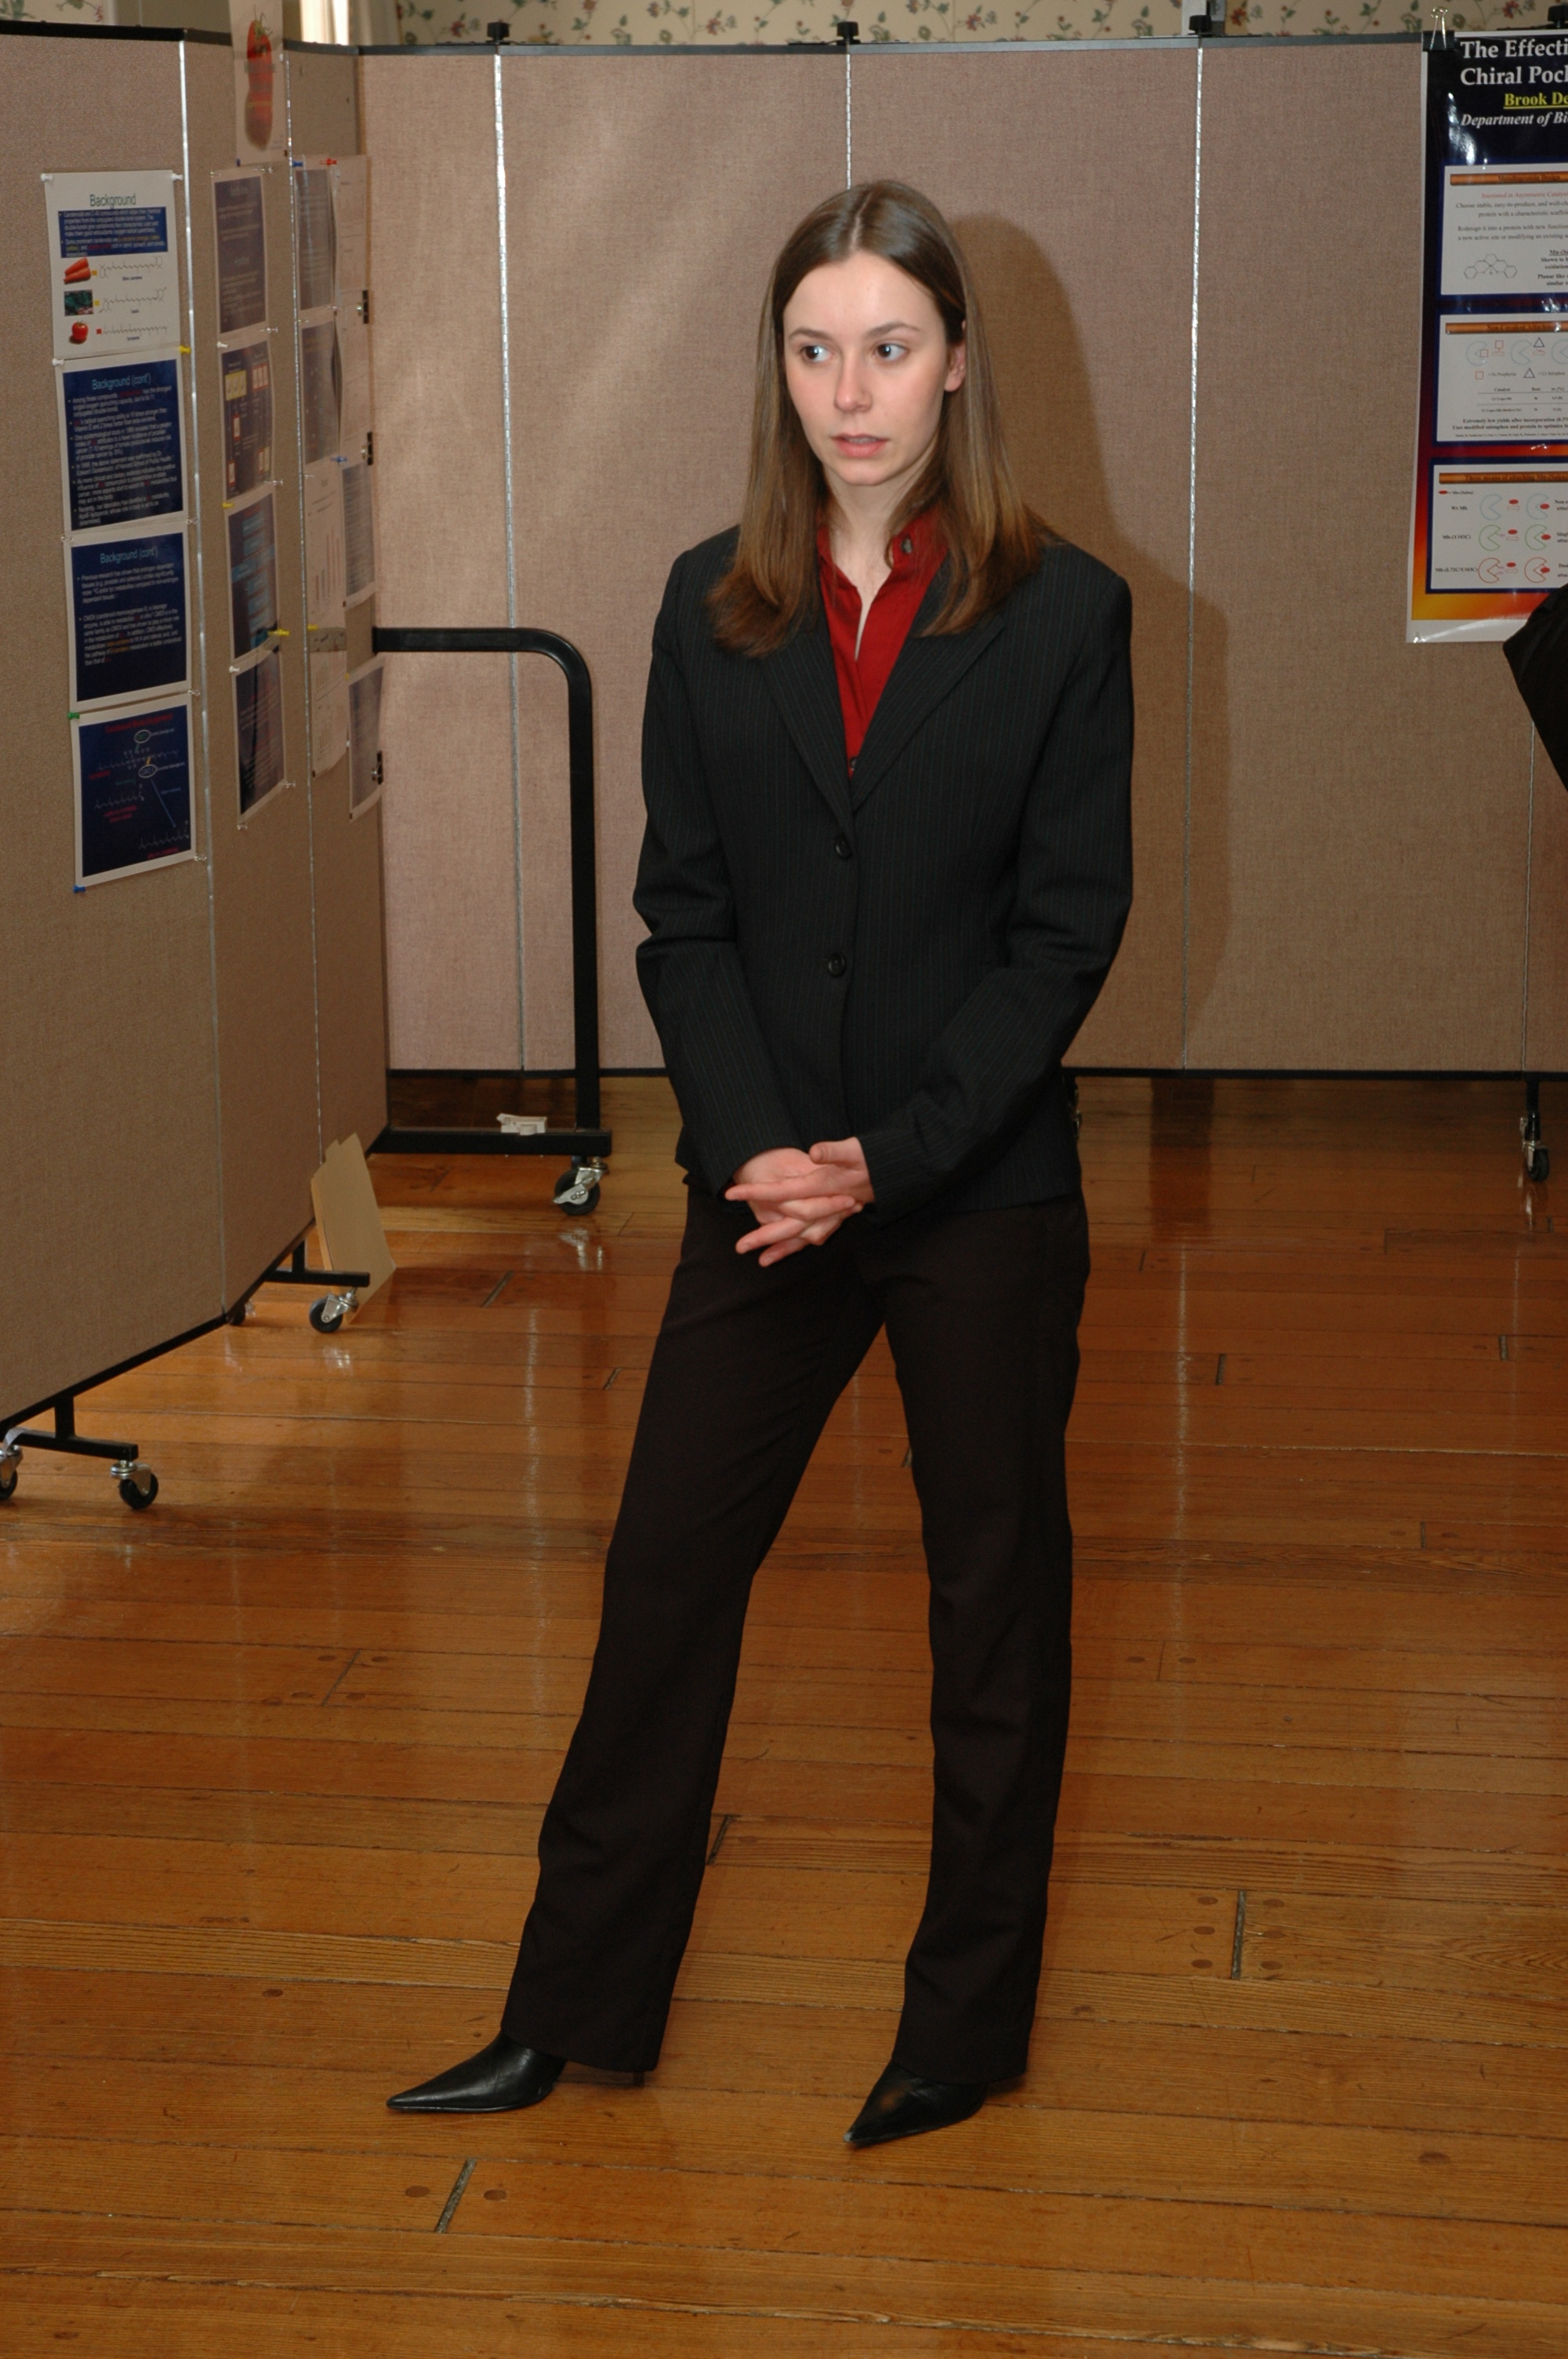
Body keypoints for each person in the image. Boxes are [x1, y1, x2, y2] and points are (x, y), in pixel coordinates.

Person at [389, 180, 1133, 2148]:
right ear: (779, 370)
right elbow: (685, 916)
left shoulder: (1067, 615)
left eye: (888, 347)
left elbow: (1064, 938)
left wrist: (885, 1160)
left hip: (972, 1191)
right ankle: (568, 2008)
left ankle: (961, 2027)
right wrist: (762, 1156)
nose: (849, 392)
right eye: (815, 350)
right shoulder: (706, 603)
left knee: (991, 1610)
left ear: (957, 363)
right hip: (766, 1189)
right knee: (661, 1575)